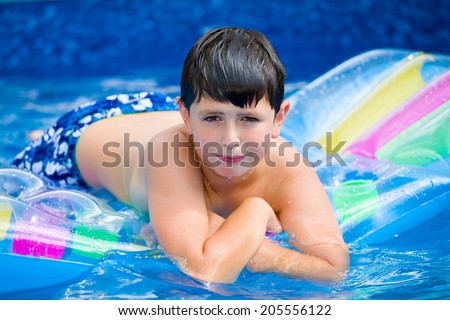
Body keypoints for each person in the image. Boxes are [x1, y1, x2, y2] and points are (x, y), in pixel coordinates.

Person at [13, 27, 349, 283]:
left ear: (278, 119)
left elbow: (334, 268)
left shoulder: (289, 168)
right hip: (80, 138)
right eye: (214, 119)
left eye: (249, 120)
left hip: (164, 109)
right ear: (186, 116)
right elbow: (203, 272)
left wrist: (270, 257)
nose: (230, 141)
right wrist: (256, 211)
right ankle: (40, 132)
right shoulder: (170, 154)